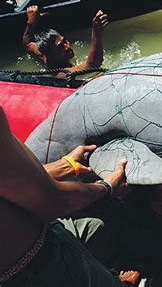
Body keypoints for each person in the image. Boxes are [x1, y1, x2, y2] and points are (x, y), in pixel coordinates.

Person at [0, 107, 140, 286]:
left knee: (94, 227)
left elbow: (11, 180)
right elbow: (56, 201)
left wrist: (66, 165)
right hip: (35, 269)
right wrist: (107, 187)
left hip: (38, 240)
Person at [22, 5, 108, 76]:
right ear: (50, 56)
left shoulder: (42, 53)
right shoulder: (60, 73)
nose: (67, 47)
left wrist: (31, 22)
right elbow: (92, 67)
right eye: (60, 47)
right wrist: (96, 33)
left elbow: (27, 43)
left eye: (65, 41)